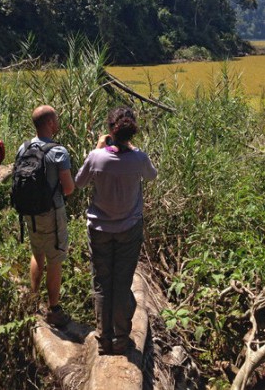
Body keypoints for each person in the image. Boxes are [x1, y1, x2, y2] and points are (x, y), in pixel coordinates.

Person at [75, 107, 157, 355]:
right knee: (122, 284)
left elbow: (79, 182)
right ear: (130, 131)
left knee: (102, 283)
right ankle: (121, 339)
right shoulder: (139, 158)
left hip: (99, 229)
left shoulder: (97, 157)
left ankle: (104, 340)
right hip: (129, 229)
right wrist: (133, 151)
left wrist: (99, 149)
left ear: (111, 130)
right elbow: (152, 176)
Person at [17, 105, 75, 327]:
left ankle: (32, 300)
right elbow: (68, 188)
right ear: (50, 123)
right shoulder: (58, 151)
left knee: (37, 253)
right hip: (52, 214)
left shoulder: (23, 148)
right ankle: (54, 310)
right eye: (56, 119)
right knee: (55, 261)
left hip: (29, 214)